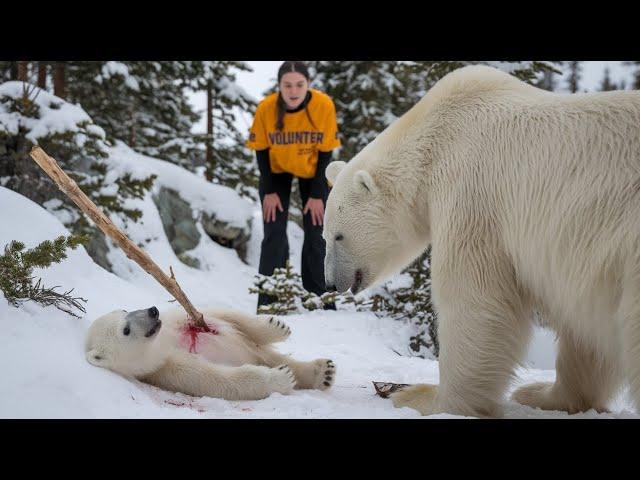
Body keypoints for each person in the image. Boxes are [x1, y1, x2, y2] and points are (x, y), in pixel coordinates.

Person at [246, 61, 341, 311]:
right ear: (279, 86)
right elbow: (261, 152)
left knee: (317, 232)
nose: (293, 91)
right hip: (276, 172)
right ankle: (270, 301)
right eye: (287, 85)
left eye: (299, 84)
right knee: (274, 234)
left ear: (308, 84)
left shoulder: (323, 105)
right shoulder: (266, 108)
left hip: (314, 172)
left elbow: (325, 153)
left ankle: (320, 299)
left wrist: (319, 194)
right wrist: (268, 192)